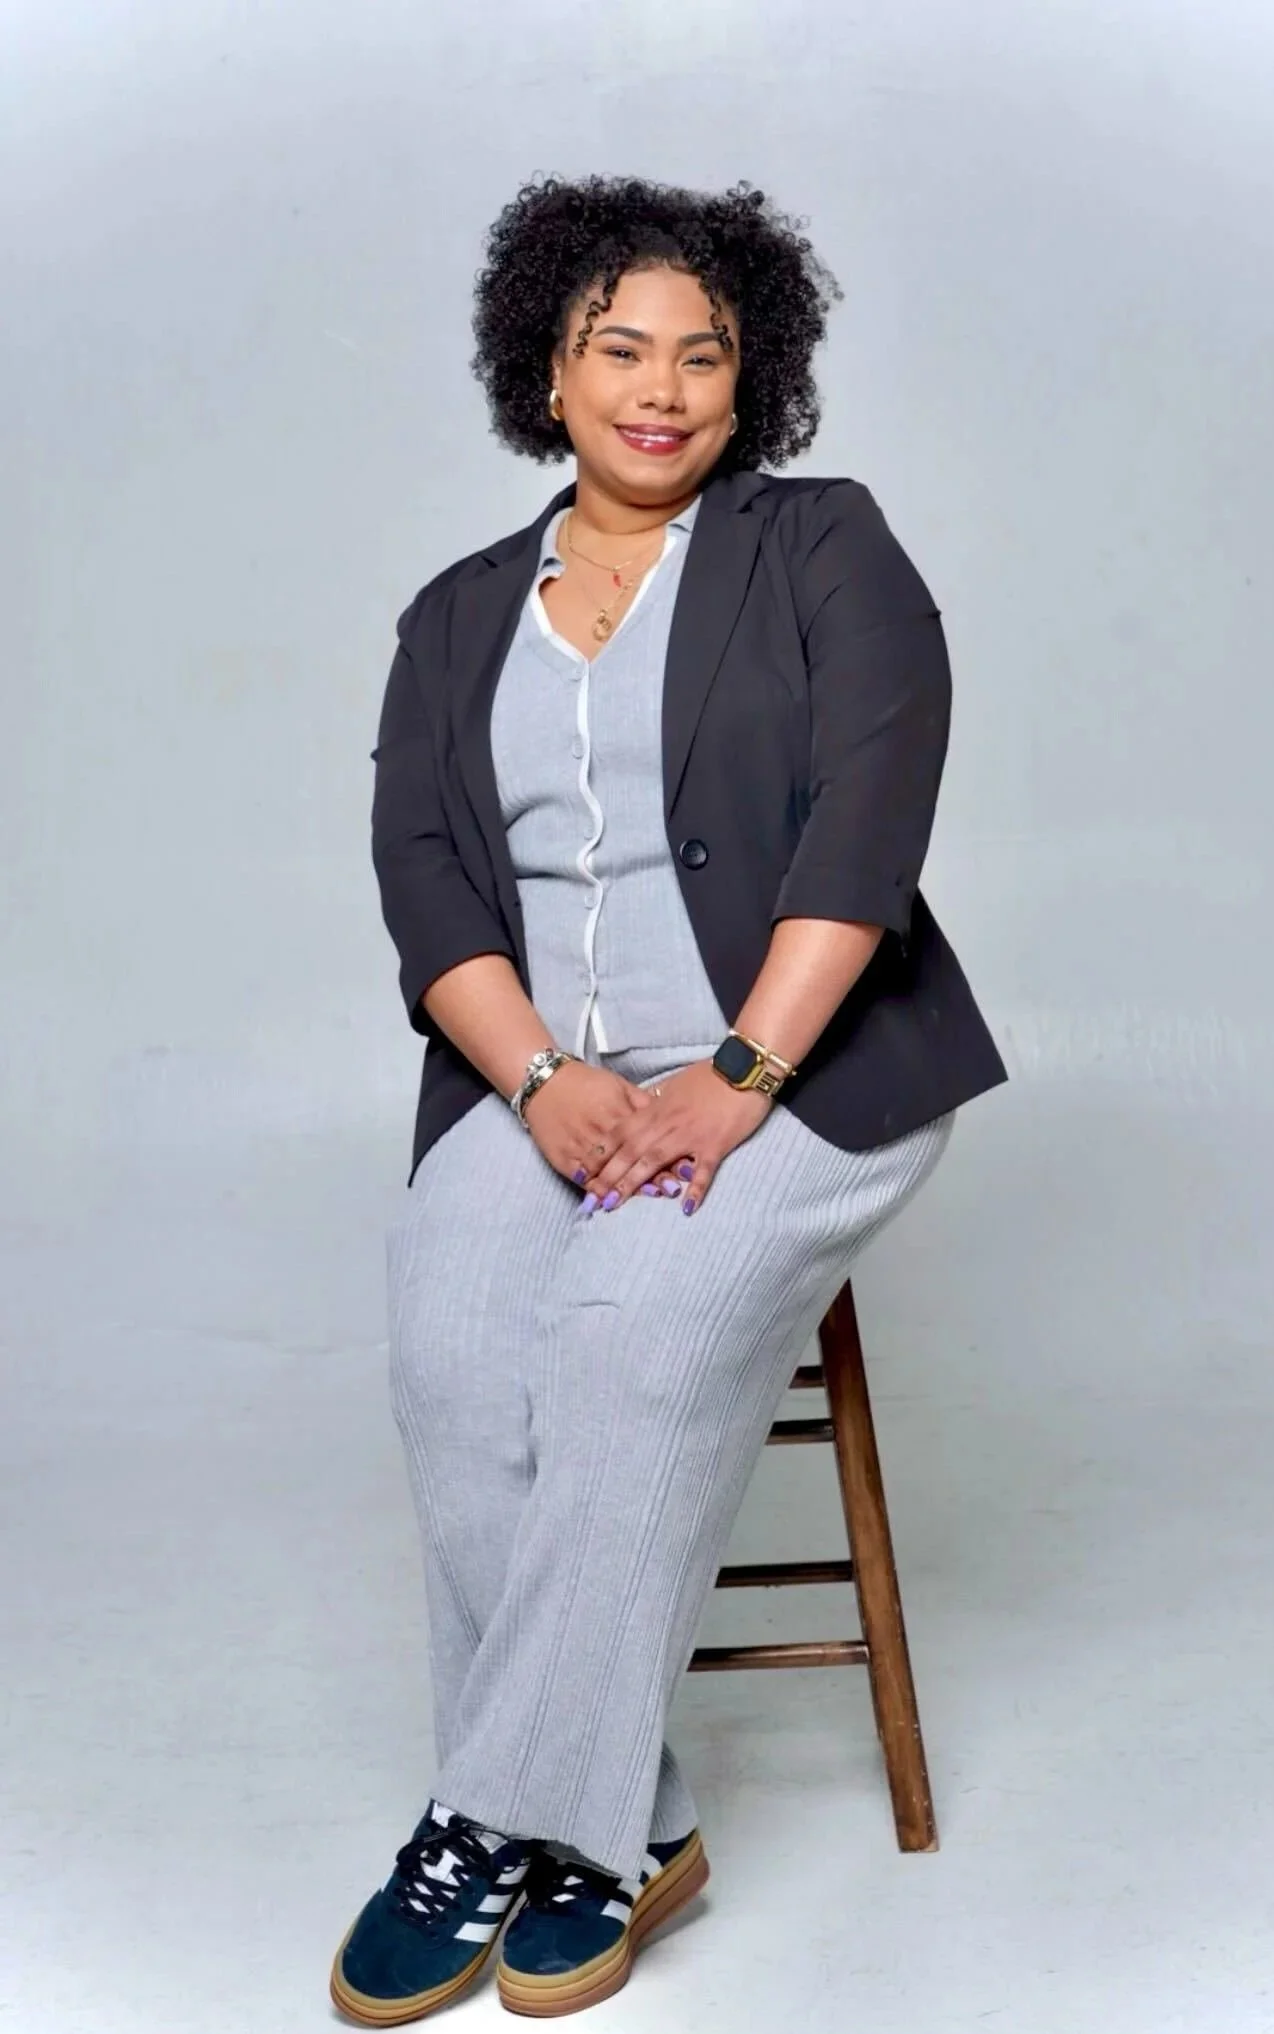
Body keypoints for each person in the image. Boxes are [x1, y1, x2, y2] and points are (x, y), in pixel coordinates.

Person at [330, 174, 1007, 2026]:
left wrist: (734, 1076)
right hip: (537, 1078)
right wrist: (541, 1081)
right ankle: (630, 1819)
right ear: (544, 371)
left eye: (703, 356)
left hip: (800, 1068)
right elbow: (425, 882)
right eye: (617, 348)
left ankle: (489, 1818)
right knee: (452, 1357)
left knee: (622, 1341)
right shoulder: (454, 615)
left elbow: (865, 828)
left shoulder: (821, 545)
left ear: (748, 379)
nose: (661, 388)